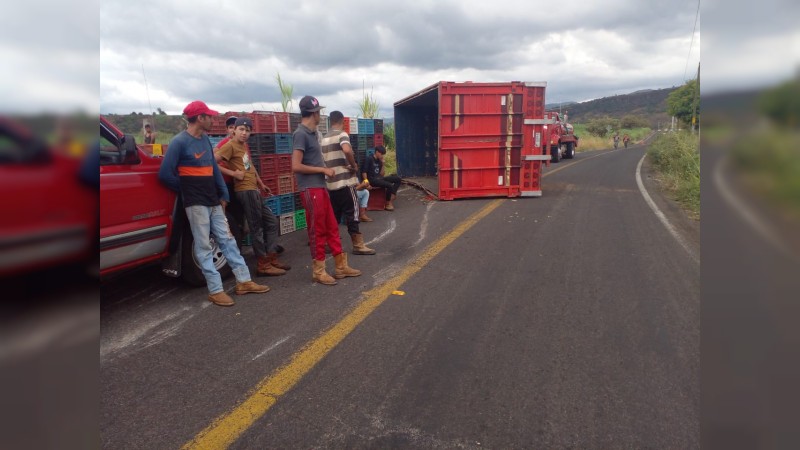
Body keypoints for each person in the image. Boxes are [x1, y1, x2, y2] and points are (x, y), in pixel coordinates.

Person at [158, 100, 268, 306]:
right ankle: (215, 290)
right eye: (209, 116)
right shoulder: (179, 142)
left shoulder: (205, 141)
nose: (212, 119)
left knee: (228, 239)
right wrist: (187, 191)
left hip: (214, 201)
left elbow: (214, 169)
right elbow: (165, 175)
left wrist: (223, 193)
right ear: (200, 118)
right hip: (195, 203)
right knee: (203, 246)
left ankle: (244, 281)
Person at [292, 96, 361, 285]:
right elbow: (296, 166)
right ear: (314, 113)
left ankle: (341, 267)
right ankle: (319, 271)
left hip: (321, 187)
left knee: (332, 226)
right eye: (319, 112)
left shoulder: (313, 133)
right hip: (310, 188)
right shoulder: (301, 134)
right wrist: (323, 169)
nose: (320, 116)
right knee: (318, 230)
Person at [215, 117, 290, 276]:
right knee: (257, 227)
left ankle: (271, 256)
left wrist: (261, 183)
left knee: (271, 221)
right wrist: (233, 173)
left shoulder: (243, 146)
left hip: (253, 189)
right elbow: (212, 162)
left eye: (247, 130)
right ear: (234, 129)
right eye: (241, 129)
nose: (244, 133)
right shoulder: (230, 146)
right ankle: (263, 264)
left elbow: (249, 165)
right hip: (245, 190)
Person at [320, 110, 375, 255]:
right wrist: (354, 165)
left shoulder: (324, 138)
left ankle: (328, 243)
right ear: (342, 121)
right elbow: (347, 150)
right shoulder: (342, 134)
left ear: (330, 121)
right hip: (345, 182)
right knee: (353, 214)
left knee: (334, 216)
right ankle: (358, 245)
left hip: (331, 185)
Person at [362, 145, 401, 211]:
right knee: (389, 185)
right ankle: (387, 203)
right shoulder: (369, 159)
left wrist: (383, 164)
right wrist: (366, 183)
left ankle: (392, 195)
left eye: (383, 154)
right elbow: (364, 172)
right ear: (377, 152)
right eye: (381, 154)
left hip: (379, 178)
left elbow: (382, 174)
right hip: (372, 180)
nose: (382, 155)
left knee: (397, 179)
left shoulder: (379, 161)